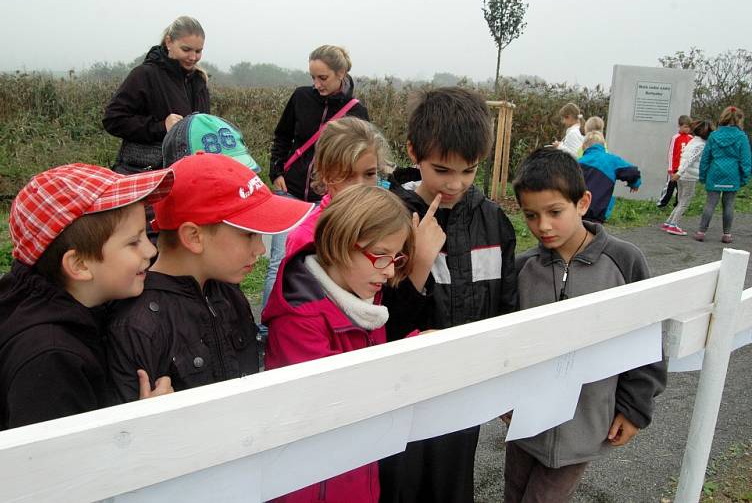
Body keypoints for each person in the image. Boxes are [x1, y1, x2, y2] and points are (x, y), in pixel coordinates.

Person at [379, 87, 518, 503]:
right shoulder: (389, 217)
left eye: (469, 170)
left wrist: (507, 380)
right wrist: (417, 264)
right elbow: (382, 324)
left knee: (452, 487)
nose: (456, 183)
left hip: (464, 391)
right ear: (413, 152)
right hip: (402, 395)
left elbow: (507, 309)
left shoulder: (494, 221)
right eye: (441, 170)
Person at [506, 147, 667, 502]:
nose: (542, 226)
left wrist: (635, 407)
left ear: (583, 202)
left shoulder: (625, 261)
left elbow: (646, 338)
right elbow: (508, 344)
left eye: (554, 212)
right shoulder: (522, 268)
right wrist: (504, 400)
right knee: (514, 493)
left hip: (584, 425)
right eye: (531, 215)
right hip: (526, 422)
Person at [0, 163, 176, 435]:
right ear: (78, 265)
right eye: (133, 242)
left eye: (146, 235)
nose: (150, 250)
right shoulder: (50, 359)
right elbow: (58, 468)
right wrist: (144, 423)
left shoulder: (86, 307)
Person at [106, 153, 313, 401]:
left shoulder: (227, 292)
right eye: (249, 234)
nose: (260, 249)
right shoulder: (139, 327)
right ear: (194, 237)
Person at [263, 185, 416, 503]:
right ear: (341, 244)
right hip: (313, 487)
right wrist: (415, 357)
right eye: (381, 256)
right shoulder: (299, 318)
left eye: (396, 258)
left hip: (354, 475)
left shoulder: (361, 302)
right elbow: (337, 398)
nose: (389, 271)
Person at [263, 45, 369, 310]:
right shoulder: (300, 98)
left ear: (341, 73)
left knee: (322, 262)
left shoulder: (356, 112)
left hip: (328, 199)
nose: (316, 84)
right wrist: (276, 171)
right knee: (280, 259)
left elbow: (361, 157)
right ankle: (267, 327)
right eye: (312, 77)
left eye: (323, 78)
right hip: (291, 191)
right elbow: (282, 136)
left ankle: (313, 318)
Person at [103, 16, 210, 175]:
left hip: (187, 174)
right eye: (186, 49)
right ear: (169, 43)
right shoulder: (144, 75)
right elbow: (113, 119)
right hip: (144, 174)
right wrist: (160, 127)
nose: (193, 57)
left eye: (198, 51)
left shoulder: (199, 80)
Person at [285, 116, 391, 257]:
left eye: (370, 174)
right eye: (348, 176)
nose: (360, 186)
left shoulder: (386, 225)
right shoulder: (306, 237)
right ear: (325, 175)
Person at [694, 106, 751, 243]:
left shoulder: (714, 136)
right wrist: (744, 177)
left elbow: (705, 158)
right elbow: (746, 160)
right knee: (729, 205)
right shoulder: (741, 137)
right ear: (739, 120)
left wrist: (703, 176)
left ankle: (701, 232)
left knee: (710, 203)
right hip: (732, 174)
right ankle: (727, 235)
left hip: (715, 172)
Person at [661, 119, 715, 236]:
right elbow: (690, 160)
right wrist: (679, 172)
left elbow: (684, 158)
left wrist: (679, 172)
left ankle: (669, 222)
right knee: (685, 201)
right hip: (689, 176)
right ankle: (674, 225)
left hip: (682, 175)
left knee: (681, 200)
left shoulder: (692, 141)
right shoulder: (701, 145)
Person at [578, 131, 642, 223]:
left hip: (578, 210)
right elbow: (632, 172)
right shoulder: (611, 160)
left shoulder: (577, 162)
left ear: (584, 147)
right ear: (603, 146)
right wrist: (635, 183)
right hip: (598, 212)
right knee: (595, 234)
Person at [657, 115, 693, 208]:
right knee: (670, 187)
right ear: (680, 126)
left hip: (684, 169)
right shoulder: (675, 138)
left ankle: (678, 205)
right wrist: (670, 170)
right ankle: (661, 204)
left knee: (681, 189)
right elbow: (671, 153)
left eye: (689, 127)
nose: (687, 129)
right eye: (685, 127)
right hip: (675, 169)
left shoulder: (691, 138)